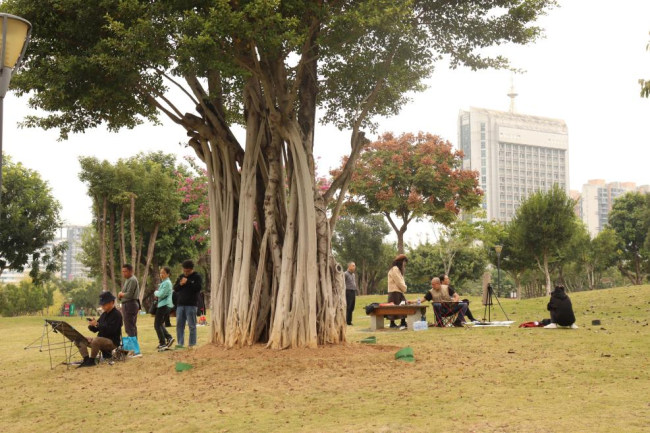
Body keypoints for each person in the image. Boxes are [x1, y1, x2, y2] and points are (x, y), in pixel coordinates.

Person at [75, 291, 123, 368]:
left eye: (104, 304)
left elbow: (111, 330)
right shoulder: (104, 314)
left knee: (96, 340)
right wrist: (92, 325)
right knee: (79, 339)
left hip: (112, 342)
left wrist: (97, 324)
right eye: (102, 304)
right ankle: (86, 359)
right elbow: (95, 329)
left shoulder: (117, 315)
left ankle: (92, 360)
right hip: (99, 340)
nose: (102, 306)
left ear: (111, 302)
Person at [173, 260, 203, 348]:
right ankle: (180, 343)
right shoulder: (181, 277)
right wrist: (181, 284)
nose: (186, 273)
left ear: (192, 269)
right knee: (179, 325)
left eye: (188, 271)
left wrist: (188, 282)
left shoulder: (197, 276)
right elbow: (176, 288)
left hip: (191, 304)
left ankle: (192, 343)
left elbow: (198, 288)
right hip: (180, 304)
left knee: (192, 325)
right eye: (184, 271)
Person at [153, 267, 175, 349]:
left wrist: (156, 292)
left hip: (164, 305)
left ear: (168, 274)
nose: (161, 275)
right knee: (160, 324)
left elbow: (161, 294)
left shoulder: (167, 283)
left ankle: (162, 343)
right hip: (166, 305)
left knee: (157, 325)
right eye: (160, 273)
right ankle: (169, 338)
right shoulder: (165, 282)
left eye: (163, 273)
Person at [118, 264, 140, 338]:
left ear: (131, 271)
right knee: (131, 326)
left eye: (126, 271)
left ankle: (133, 347)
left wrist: (121, 294)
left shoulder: (132, 279)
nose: (124, 273)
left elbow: (130, 294)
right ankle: (134, 346)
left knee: (129, 327)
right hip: (129, 304)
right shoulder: (128, 279)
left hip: (130, 304)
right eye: (123, 271)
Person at [387, 254, 409, 329]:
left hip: (398, 291)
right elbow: (398, 281)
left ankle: (403, 322)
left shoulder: (397, 269)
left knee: (403, 305)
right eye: (404, 262)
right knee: (394, 307)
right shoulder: (395, 269)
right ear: (401, 261)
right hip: (394, 291)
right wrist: (405, 288)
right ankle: (392, 323)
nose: (404, 264)